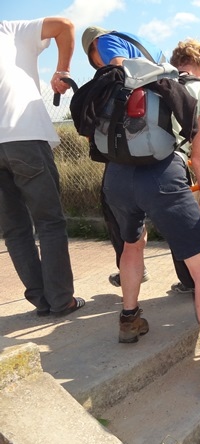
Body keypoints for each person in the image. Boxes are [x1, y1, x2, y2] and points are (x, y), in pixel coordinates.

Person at [100, 38, 200, 388]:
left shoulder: (144, 82)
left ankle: (129, 320)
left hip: (116, 176)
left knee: (132, 245)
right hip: (160, 178)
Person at [0, 17, 84, 317]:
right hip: (24, 137)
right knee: (49, 222)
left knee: (15, 230)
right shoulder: (9, 29)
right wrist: (62, 70)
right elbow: (64, 25)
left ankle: (42, 301)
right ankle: (62, 300)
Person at [81, 26, 164, 289]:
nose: (98, 64)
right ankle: (188, 278)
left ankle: (128, 267)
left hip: (132, 136)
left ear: (93, 47)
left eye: (94, 61)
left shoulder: (105, 41)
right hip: (160, 132)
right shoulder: (143, 42)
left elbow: (117, 70)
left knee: (114, 202)